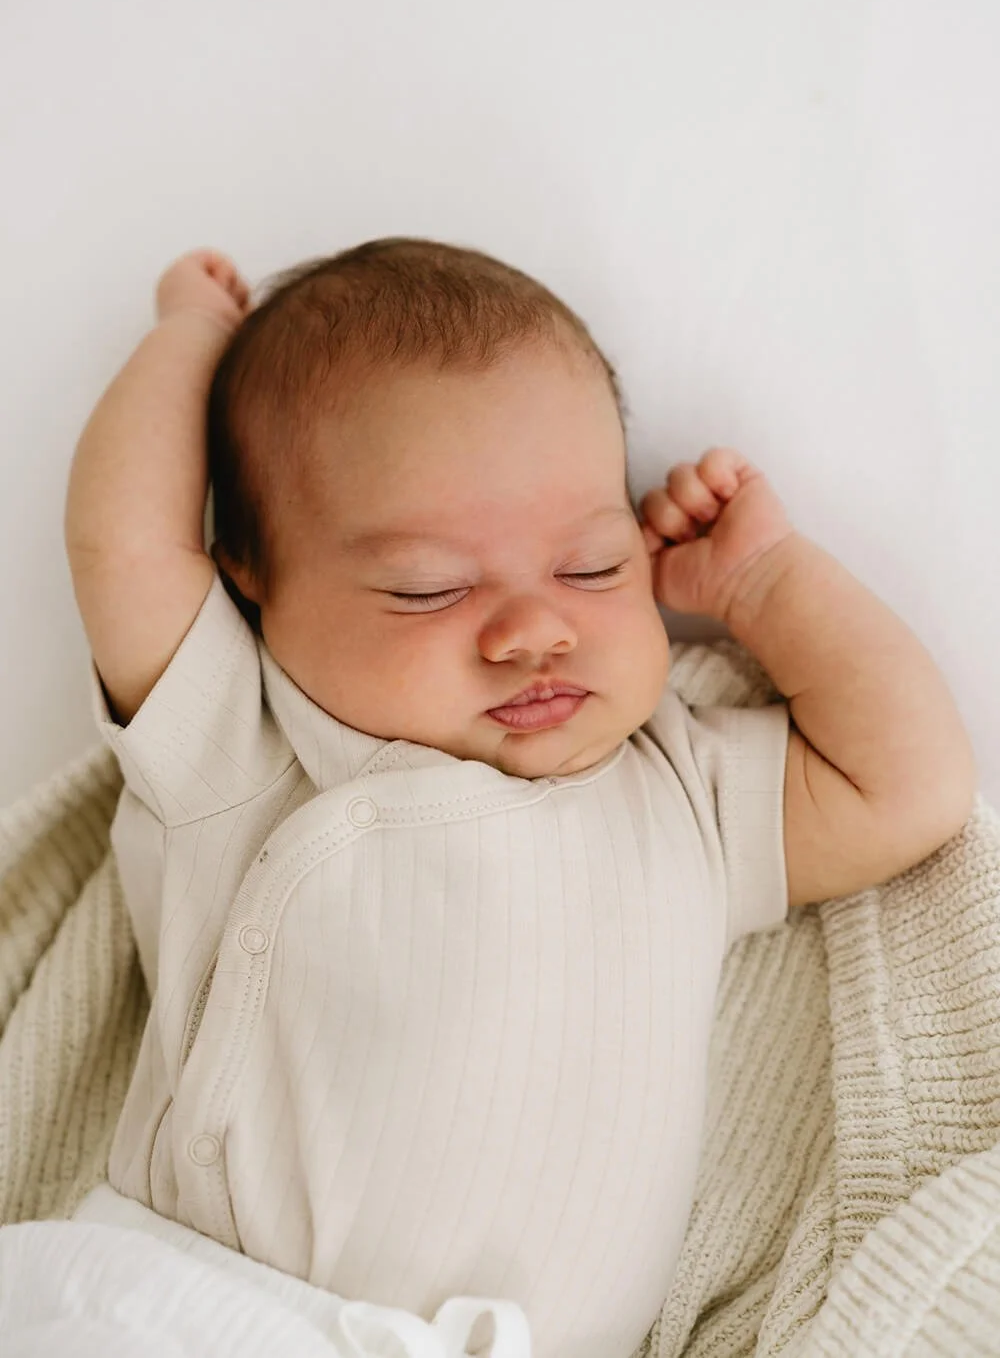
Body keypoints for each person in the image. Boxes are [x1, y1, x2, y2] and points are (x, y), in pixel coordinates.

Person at [62, 239, 977, 1358]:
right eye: (428, 589)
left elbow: (910, 787)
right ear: (251, 581)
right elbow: (124, 545)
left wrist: (762, 584)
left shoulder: (680, 796)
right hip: (208, 1316)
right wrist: (189, 343)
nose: (533, 629)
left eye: (593, 568)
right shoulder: (250, 751)